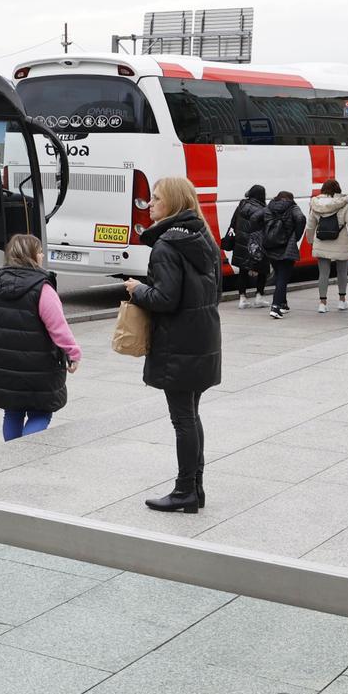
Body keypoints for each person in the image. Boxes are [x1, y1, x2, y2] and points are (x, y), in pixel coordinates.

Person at [123, 176, 221, 514]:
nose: (149, 204)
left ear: (174, 205)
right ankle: (196, 487)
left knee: (182, 419)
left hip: (178, 344)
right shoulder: (202, 238)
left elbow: (165, 299)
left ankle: (184, 491)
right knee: (191, 415)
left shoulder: (166, 246)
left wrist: (137, 289)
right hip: (203, 339)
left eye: (156, 199)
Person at [0, 234, 81, 440]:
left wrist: (0, 340)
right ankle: (25, 456)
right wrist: (73, 353)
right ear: (31, 255)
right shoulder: (42, 287)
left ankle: (11, 455)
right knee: (40, 412)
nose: (42, 255)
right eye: (40, 251)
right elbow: (58, 328)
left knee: (12, 411)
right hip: (39, 364)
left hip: (3, 363)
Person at [305, 180, 348, 313]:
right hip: (340, 243)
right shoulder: (344, 204)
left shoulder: (316, 204)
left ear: (323, 189)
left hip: (321, 242)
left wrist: (310, 241)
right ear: (338, 189)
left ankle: (322, 303)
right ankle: (342, 301)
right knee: (342, 273)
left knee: (323, 274)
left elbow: (310, 226)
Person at [222, 184, 270, 310]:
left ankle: (242, 299)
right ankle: (259, 296)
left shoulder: (241, 206)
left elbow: (233, 223)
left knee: (243, 271)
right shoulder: (263, 209)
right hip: (257, 245)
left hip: (241, 244)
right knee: (263, 270)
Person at [261, 190, 306, 318]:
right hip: (286, 247)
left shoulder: (269, 207)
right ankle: (275, 307)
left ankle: (283, 303)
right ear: (290, 199)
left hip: (270, 247)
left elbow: (255, 218)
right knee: (282, 278)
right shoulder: (292, 207)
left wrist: (264, 232)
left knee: (280, 276)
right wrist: (295, 236)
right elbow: (301, 218)